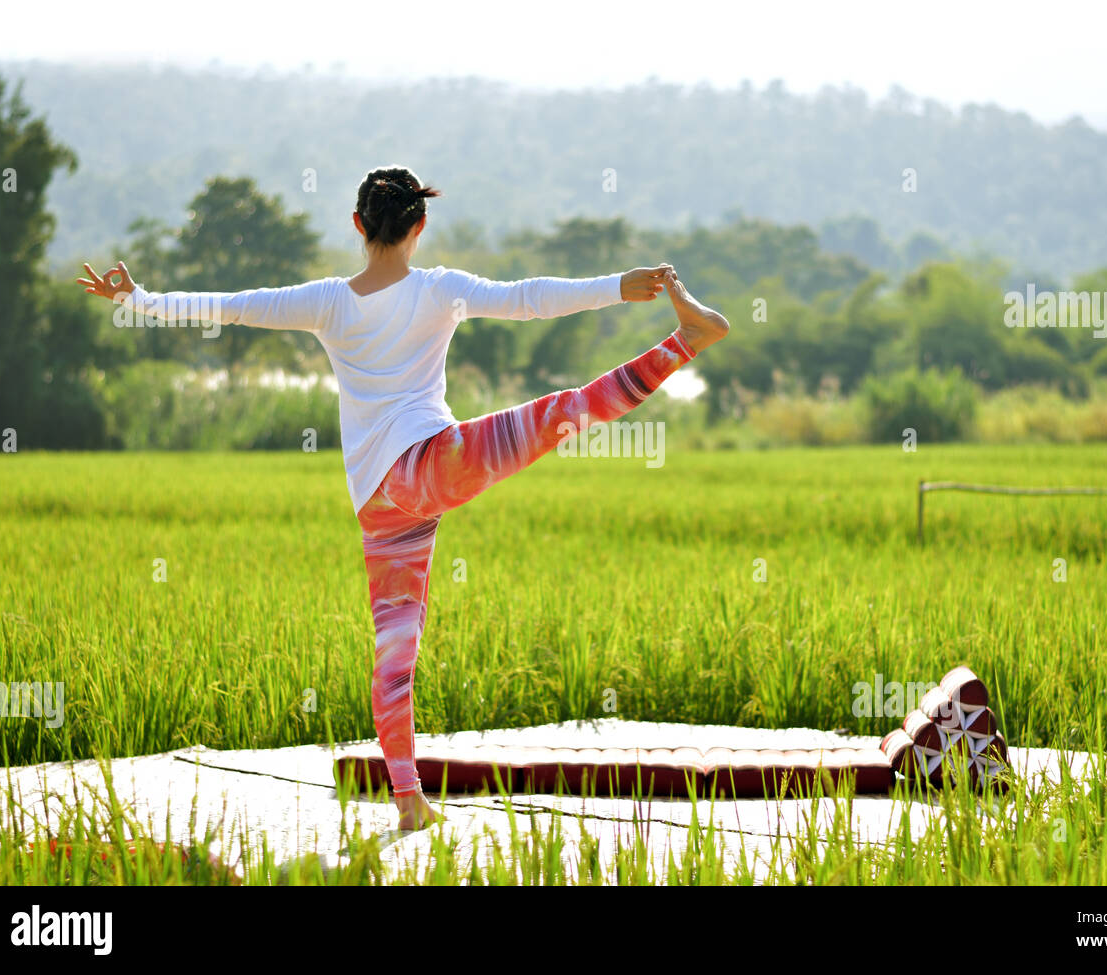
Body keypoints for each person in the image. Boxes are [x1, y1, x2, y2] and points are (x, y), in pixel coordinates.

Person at [78, 165, 729, 829]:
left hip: (381, 502)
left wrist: (140, 300)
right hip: (427, 467)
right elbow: (531, 296)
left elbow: (232, 305)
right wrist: (626, 286)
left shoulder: (327, 301)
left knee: (396, 650)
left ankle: (409, 801)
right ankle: (685, 341)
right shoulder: (439, 289)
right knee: (565, 411)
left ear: (358, 226)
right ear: (419, 226)